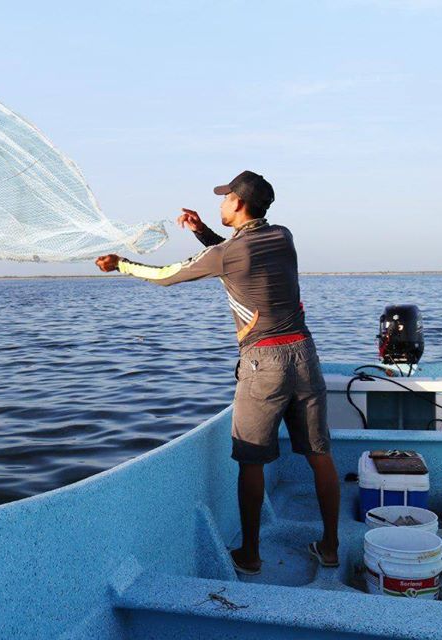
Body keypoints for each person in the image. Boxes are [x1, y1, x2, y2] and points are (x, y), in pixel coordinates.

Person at [95, 171, 340, 575]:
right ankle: (330, 547)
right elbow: (236, 256)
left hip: (264, 364)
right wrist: (201, 231)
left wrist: (120, 264)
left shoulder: (228, 253)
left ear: (239, 205)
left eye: (226, 199)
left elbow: (167, 276)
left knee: (251, 461)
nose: (221, 204)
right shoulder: (283, 236)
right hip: (305, 356)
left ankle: (250, 554)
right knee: (319, 454)